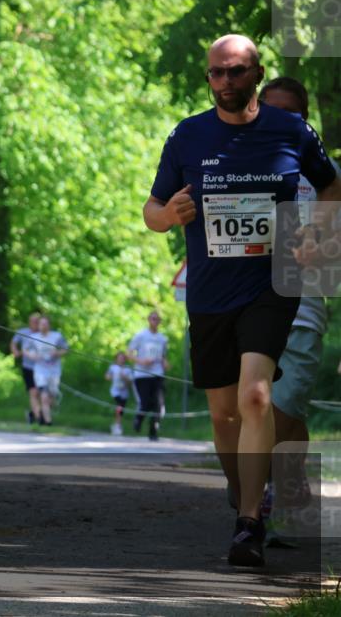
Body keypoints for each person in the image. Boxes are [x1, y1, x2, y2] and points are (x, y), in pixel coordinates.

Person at [143, 35, 339, 566]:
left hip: (273, 284)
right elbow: (152, 208)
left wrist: (318, 238)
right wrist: (168, 217)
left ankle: (249, 521)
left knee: (256, 397)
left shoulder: (291, 130)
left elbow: (331, 187)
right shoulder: (188, 135)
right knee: (224, 414)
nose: (224, 83)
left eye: (234, 72)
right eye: (215, 74)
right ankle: (242, 493)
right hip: (210, 290)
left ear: (256, 73)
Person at [259, 77, 341, 545]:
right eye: (271, 110)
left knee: (288, 403)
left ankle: (282, 482)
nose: (280, 119)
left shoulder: (325, 174)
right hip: (246, 294)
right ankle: (269, 494)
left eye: (290, 112)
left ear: (305, 118)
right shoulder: (243, 159)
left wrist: (323, 248)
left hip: (305, 295)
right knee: (256, 399)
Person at [128, 311, 170, 441]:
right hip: (142, 374)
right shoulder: (140, 336)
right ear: (148, 320)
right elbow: (129, 353)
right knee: (145, 403)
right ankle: (138, 420)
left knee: (158, 404)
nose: (155, 321)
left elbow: (163, 356)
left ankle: (153, 431)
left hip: (157, 374)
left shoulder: (163, 339)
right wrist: (141, 361)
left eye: (157, 319)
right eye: (153, 318)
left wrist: (165, 362)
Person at [25, 316, 69, 426]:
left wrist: (57, 353)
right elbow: (25, 350)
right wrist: (32, 356)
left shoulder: (57, 336)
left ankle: (35, 413)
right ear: (39, 325)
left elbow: (66, 349)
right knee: (43, 396)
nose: (43, 326)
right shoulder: (33, 337)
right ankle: (47, 422)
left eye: (45, 324)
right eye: (41, 324)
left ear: (49, 325)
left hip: (54, 371)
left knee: (52, 398)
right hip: (40, 371)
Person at [11, 312, 42, 425]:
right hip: (28, 367)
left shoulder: (44, 335)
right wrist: (15, 351)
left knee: (42, 393)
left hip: (43, 368)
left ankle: (33, 414)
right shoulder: (23, 332)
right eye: (32, 321)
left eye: (36, 322)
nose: (34, 324)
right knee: (33, 392)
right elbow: (14, 342)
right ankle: (39, 419)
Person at [105, 352, 134, 436]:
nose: (121, 359)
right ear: (116, 358)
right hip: (115, 391)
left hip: (124, 392)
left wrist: (125, 377)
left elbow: (131, 381)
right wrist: (112, 376)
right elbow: (107, 376)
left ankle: (116, 424)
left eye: (123, 358)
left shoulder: (128, 369)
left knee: (121, 408)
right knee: (119, 406)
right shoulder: (113, 367)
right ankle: (118, 425)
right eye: (119, 357)